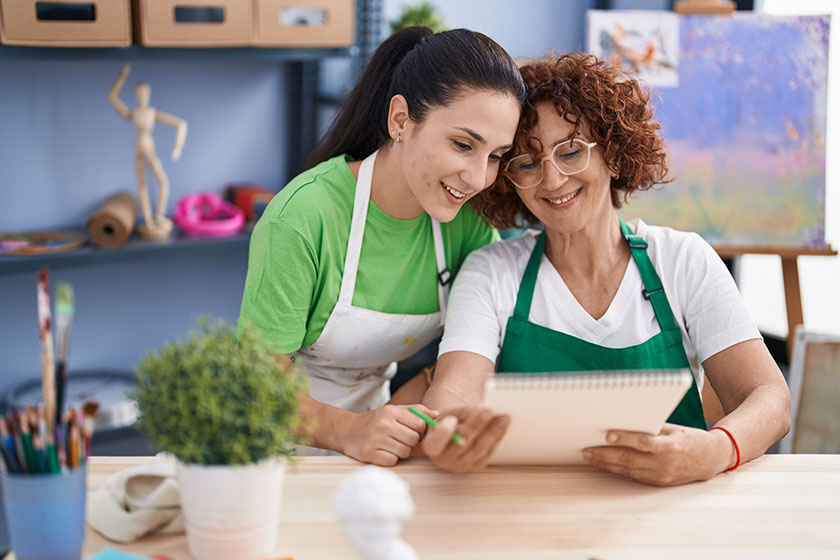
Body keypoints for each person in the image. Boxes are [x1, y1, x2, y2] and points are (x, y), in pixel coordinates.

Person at [421, 53, 791, 486]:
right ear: (508, 176)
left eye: (572, 151)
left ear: (613, 153)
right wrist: (448, 431)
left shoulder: (683, 260)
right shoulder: (491, 271)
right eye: (527, 162)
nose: (553, 180)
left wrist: (716, 449)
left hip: (668, 510)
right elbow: (453, 391)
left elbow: (769, 397)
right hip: (525, 512)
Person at [238, 27, 526, 466]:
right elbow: (254, 389)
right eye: (463, 145)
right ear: (400, 121)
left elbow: (466, 356)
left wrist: (400, 419)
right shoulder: (302, 219)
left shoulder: (466, 226)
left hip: (377, 446)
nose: (477, 178)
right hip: (269, 447)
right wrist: (347, 430)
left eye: (495, 156)